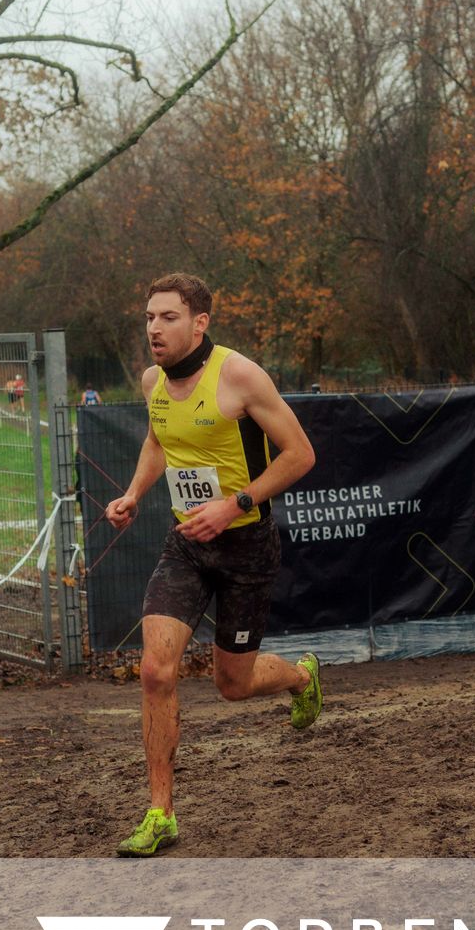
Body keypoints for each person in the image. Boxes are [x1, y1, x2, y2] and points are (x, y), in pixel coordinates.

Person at [104, 272, 324, 856]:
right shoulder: (153, 380)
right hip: (187, 544)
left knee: (233, 684)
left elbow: (302, 454)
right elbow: (160, 440)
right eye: (149, 317)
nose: (154, 328)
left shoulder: (241, 376)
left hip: (246, 544)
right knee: (155, 670)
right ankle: (160, 814)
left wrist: (235, 505)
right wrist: (133, 494)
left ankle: (302, 676)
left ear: (200, 322)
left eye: (168, 317)